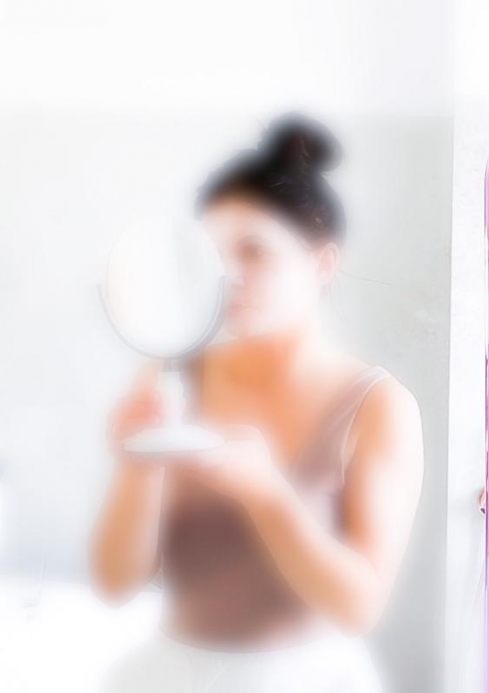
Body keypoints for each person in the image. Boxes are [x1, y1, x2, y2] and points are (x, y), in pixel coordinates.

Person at [89, 114, 424, 693]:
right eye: (216, 255)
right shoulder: (173, 378)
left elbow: (360, 606)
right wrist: (137, 469)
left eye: (254, 251)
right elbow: (117, 580)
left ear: (322, 263)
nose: (230, 277)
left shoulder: (377, 405)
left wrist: (267, 495)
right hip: (173, 676)